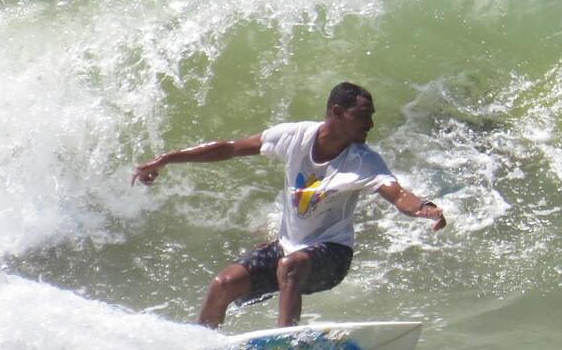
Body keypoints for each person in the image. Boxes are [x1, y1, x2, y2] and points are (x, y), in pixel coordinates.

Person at [132, 81, 446, 328]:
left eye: (371, 117)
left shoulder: (363, 161)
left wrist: (424, 208)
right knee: (223, 283)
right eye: (363, 116)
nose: (370, 125)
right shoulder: (294, 137)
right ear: (337, 113)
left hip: (332, 256)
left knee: (291, 266)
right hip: (288, 247)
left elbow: (397, 193)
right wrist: (167, 159)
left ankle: (286, 346)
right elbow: (229, 148)